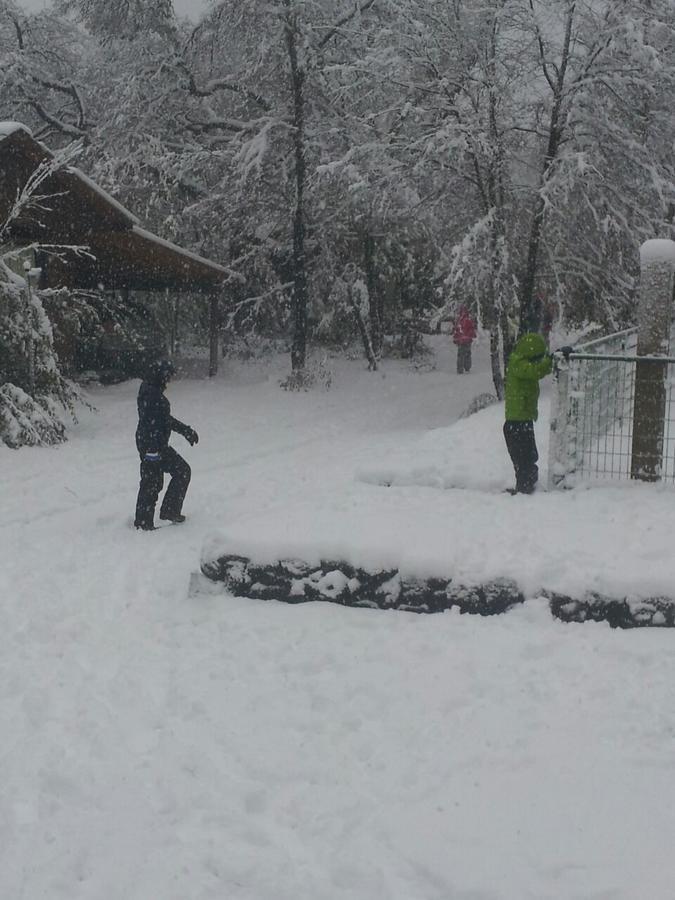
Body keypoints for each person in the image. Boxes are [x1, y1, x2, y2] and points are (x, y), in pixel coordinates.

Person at [133, 359, 199, 530]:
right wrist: (153, 452)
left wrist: (185, 431)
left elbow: (163, 420)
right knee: (158, 479)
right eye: (168, 375)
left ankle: (161, 514)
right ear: (160, 375)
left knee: (159, 478)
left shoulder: (150, 390)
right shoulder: (152, 394)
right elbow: (152, 423)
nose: (169, 380)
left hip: (152, 443)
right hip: (152, 445)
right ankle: (146, 521)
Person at [503, 333, 552, 494]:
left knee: (529, 453)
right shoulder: (518, 363)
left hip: (523, 418)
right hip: (516, 421)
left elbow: (537, 369)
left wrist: (550, 360)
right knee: (522, 456)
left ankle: (530, 483)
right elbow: (535, 371)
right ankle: (524, 486)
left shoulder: (523, 362)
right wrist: (550, 361)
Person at [452, 305, 477, 374]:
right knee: (466, 354)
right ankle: (466, 368)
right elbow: (471, 329)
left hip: (462, 340)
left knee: (461, 355)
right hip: (466, 340)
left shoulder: (459, 320)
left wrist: (456, 338)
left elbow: (456, 330)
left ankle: (461, 369)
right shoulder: (467, 320)